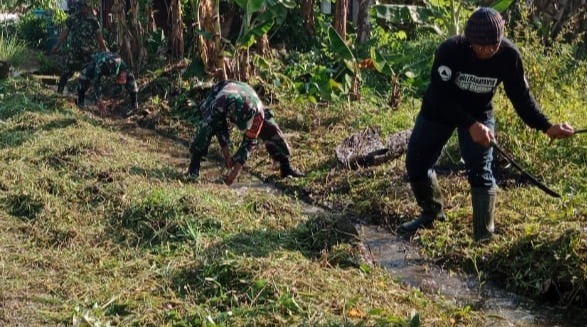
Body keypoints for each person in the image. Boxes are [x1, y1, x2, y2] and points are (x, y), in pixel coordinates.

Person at [400, 7, 574, 241]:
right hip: (439, 109)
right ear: (469, 41)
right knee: (416, 162)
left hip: (480, 113)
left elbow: (521, 97)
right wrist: (470, 124)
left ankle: (484, 235)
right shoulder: (450, 51)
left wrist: (546, 126)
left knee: (481, 170)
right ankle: (432, 213)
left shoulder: (508, 56)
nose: (487, 50)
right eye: (480, 45)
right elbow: (440, 95)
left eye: (493, 45)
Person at [187, 80, 304, 185]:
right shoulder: (220, 104)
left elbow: (250, 142)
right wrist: (227, 155)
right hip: (221, 92)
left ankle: (286, 167)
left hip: (246, 95)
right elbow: (219, 126)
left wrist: (236, 170)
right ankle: (193, 168)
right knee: (207, 126)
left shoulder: (258, 113)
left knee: (270, 127)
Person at [50, 0, 108, 94]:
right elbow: (65, 33)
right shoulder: (72, 19)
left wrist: (104, 49)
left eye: (83, 7)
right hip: (75, 52)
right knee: (66, 72)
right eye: (79, 7)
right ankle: (59, 92)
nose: (81, 9)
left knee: (91, 75)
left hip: (89, 53)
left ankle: (91, 96)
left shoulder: (93, 21)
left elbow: (99, 36)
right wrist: (57, 45)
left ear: (87, 7)